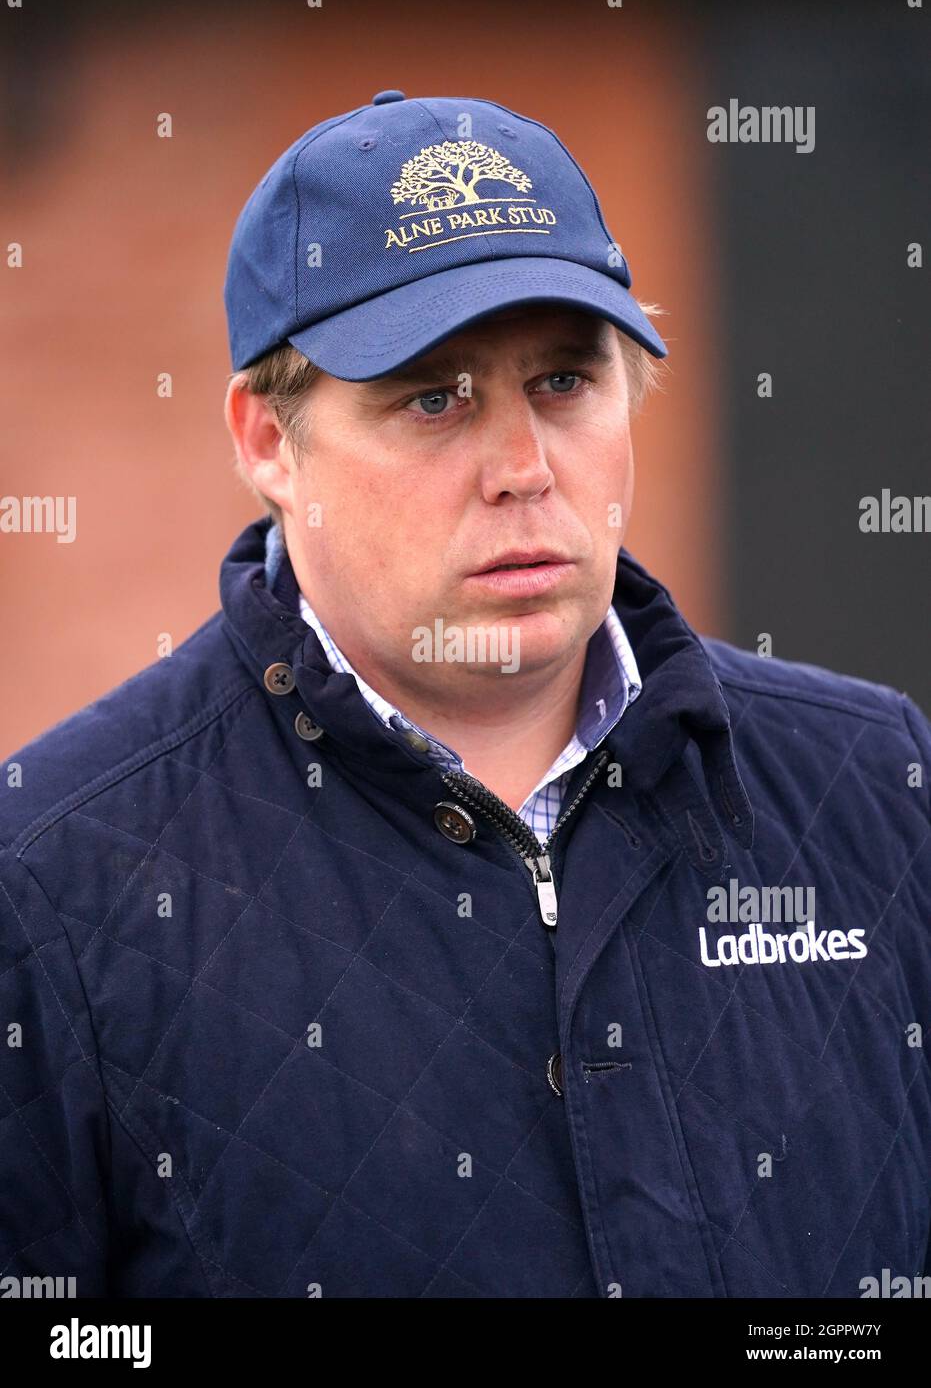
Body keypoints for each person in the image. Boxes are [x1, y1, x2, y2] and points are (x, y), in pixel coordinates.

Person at [1, 91, 928, 1300]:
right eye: (433, 397)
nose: (524, 470)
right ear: (268, 440)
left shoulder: (873, 783)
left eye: (562, 382)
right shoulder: (56, 877)